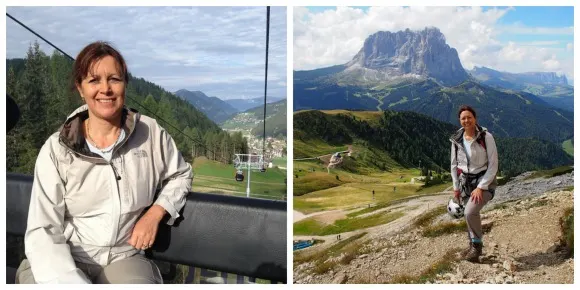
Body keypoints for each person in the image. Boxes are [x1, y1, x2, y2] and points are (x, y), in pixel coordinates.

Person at [16, 41, 193, 284]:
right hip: (65, 254)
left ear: (125, 84)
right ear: (80, 88)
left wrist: (156, 212)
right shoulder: (57, 149)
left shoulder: (150, 134)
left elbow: (180, 175)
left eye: (114, 79)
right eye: (94, 80)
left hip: (124, 256)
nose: (105, 89)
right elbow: (44, 230)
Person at [450, 105, 498, 262]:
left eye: (469, 117)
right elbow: (454, 165)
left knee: (470, 212)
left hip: (484, 182)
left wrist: (481, 187)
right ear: (459, 120)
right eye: (463, 118)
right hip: (465, 183)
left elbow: (493, 165)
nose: (466, 120)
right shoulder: (456, 140)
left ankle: (477, 248)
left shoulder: (486, 137)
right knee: (467, 215)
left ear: (475, 118)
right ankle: (471, 245)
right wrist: (456, 188)